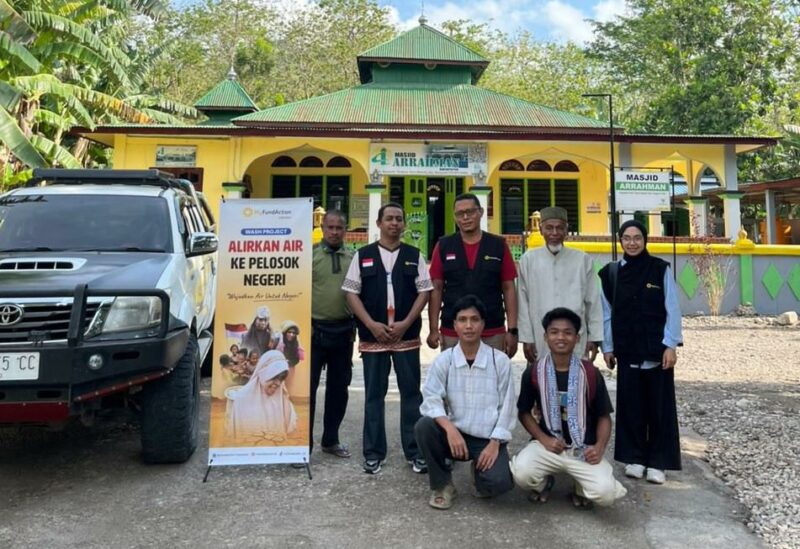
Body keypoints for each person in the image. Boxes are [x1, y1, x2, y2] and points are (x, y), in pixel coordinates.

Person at [343, 202, 432, 475]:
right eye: (389, 219)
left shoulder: (414, 255)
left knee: (411, 395)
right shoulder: (363, 256)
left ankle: (415, 452)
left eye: (399, 219)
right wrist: (370, 323)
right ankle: (373, 452)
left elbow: (424, 291)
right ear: (379, 223)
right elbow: (351, 293)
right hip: (374, 336)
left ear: (404, 224)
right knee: (373, 396)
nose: (394, 223)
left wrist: (406, 322)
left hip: (406, 336)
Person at [511, 308, 627, 509]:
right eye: (554, 332)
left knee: (606, 494)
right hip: (548, 445)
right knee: (522, 472)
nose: (561, 337)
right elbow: (524, 413)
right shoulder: (534, 372)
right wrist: (544, 439)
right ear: (546, 337)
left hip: (583, 448)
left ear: (577, 338)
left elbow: (604, 417)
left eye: (567, 332)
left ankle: (580, 488)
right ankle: (544, 483)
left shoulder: (590, 373)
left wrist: (599, 448)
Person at [598, 219, 683, 484]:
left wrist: (671, 345)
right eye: (627, 238)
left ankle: (658, 461)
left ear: (645, 240)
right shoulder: (610, 274)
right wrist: (608, 347)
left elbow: (673, 309)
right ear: (620, 240)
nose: (632, 243)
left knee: (659, 408)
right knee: (630, 406)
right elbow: (606, 314)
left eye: (637, 237)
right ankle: (634, 458)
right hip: (627, 350)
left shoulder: (660, 270)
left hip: (657, 353)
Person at [415, 295, 516, 510]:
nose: (468, 326)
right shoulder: (445, 360)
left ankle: (479, 472)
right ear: (454, 325)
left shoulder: (500, 362)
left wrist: (495, 443)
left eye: (474, 319)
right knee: (424, 426)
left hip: (486, 438)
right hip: (454, 435)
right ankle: (443, 484)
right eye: (462, 320)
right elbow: (430, 399)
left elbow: (507, 409)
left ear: (483, 324)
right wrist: (449, 428)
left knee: (499, 484)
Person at [427, 193, 519, 357]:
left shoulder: (498, 245)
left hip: (492, 329)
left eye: (470, 212)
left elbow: (509, 287)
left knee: (492, 379)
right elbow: (436, 288)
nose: (466, 217)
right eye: (460, 214)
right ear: (455, 217)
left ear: (481, 212)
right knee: (454, 380)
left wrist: (512, 330)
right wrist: (433, 329)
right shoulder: (443, 246)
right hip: (453, 330)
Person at [517, 206, 603, 363]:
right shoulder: (528, 260)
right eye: (549, 228)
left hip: (576, 335)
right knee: (542, 380)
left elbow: (593, 301)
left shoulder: (582, 260)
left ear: (566, 230)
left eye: (559, 228)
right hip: (540, 336)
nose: (554, 233)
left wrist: (595, 337)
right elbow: (522, 302)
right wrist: (526, 338)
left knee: (576, 380)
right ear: (541, 230)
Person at [310, 210, 355, 459]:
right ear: (323, 228)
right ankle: (303, 444)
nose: (335, 232)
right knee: (308, 389)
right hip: (314, 332)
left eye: (339, 227)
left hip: (343, 331)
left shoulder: (353, 257)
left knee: (339, 389)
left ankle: (331, 440)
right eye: (331, 227)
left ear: (345, 230)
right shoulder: (310, 256)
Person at [225, 350, 298, 441]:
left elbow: (289, 432)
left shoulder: (284, 402)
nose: (278, 383)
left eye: (281, 378)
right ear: (263, 373)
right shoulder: (241, 400)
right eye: (274, 377)